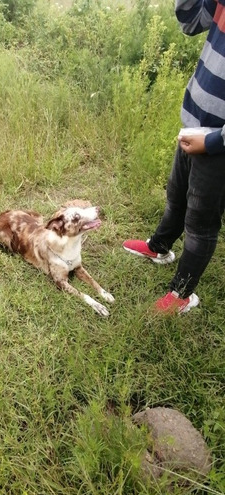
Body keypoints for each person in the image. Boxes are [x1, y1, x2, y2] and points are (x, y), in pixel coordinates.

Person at [123, 0, 225, 314]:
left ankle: (182, 294)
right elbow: (189, 21)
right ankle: (159, 248)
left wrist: (211, 141)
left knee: (200, 224)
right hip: (194, 123)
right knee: (176, 196)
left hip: (217, 143)